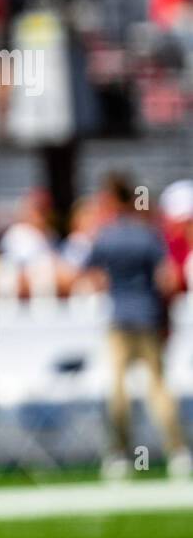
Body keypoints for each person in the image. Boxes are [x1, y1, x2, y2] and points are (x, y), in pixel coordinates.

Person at [80, 173, 191, 479]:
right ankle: (177, 452)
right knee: (158, 388)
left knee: (118, 389)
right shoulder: (147, 235)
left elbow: (88, 275)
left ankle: (119, 455)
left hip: (120, 320)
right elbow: (166, 278)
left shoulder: (106, 236)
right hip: (148, 318)